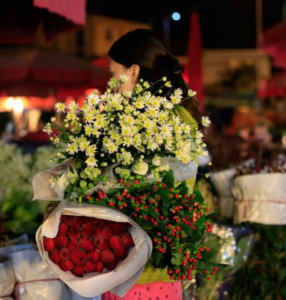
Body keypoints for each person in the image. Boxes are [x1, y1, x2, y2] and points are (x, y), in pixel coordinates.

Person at [102, 28, 202, 300]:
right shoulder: (180, 112)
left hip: (137, 271)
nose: (112, 83)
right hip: (159, 267)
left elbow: (136, 187)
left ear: (133, 72)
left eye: (114, 73)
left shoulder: (149, 119)